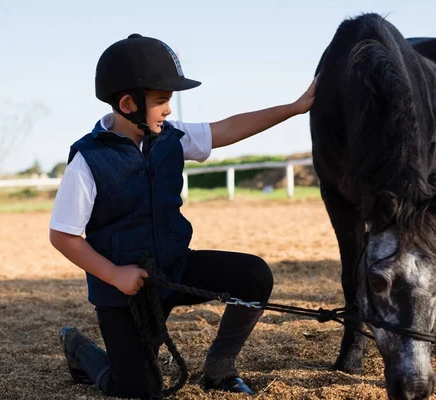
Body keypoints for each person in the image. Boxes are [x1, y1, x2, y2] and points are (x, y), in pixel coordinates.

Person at [49, 33, 316, 398]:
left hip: (174, 271)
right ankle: (81, 349)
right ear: (128, 103)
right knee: (137, 389)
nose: (169, 110)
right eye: (161, 101)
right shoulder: (87, 161)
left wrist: (296, 107)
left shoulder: (171, 137)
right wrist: (114, 274)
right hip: (126, 290)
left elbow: (227, 129)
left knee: (254, 276)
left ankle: (220, 369)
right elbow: (63, 236)